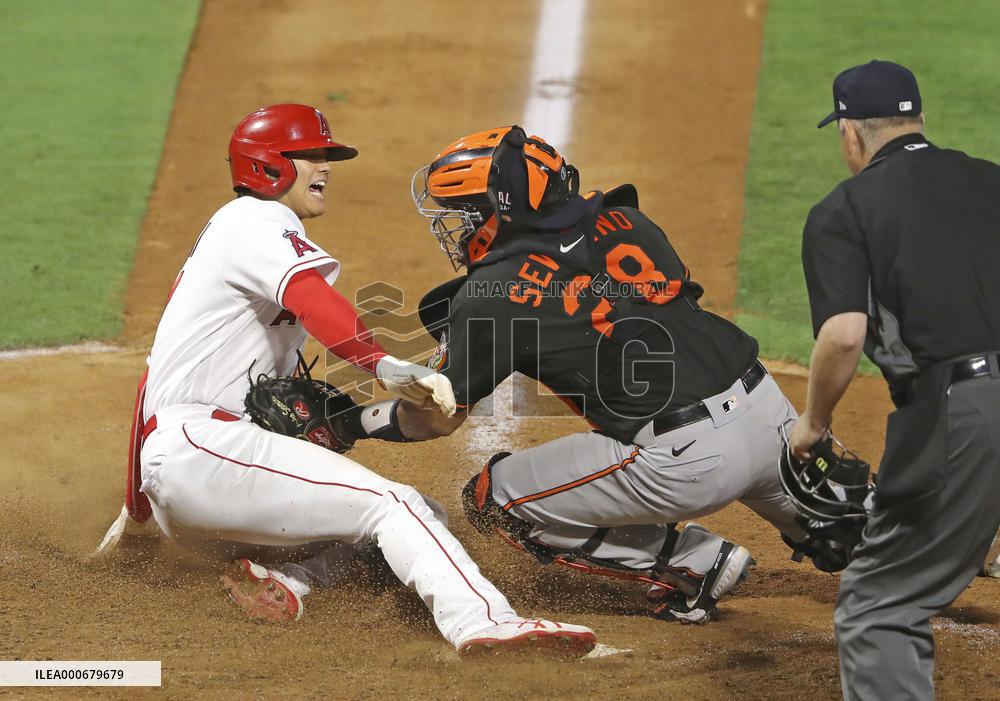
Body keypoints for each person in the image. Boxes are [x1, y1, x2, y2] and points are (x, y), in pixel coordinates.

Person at [113, 104, 597, 657]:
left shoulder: (227, 242)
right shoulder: (254, 221)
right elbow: (313, 300)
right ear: (271, 165)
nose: (325, 167)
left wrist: (137, 517)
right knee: (397, 504)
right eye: (312, 156)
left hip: (198, 477)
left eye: (327, 156)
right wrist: (382, 365)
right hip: (204, 455)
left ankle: (290, 581)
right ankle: (483, 624)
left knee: (413, 522)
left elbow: (150, 383)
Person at [342, 125, 816, 623]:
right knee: (858, 537)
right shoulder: (626, 218)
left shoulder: (492, 294)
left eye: (464, 214)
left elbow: (438, 417)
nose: (456, 228)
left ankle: (692, 563)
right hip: (772, 416)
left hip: (689, 463)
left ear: (497, 208)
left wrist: (347, 423)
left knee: (492, 499)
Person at [789, 60, 1000, 699]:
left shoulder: (844, 208)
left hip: (965, 410)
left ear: (849, 133)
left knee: (879, 604)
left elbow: (845, 334)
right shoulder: (990, 179)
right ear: (919, 121)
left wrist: (814, 422)